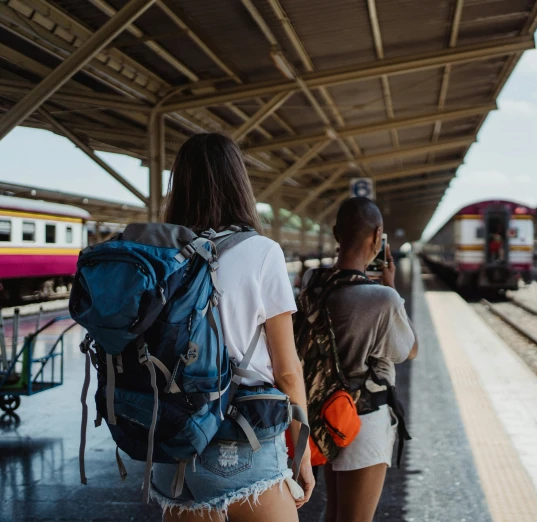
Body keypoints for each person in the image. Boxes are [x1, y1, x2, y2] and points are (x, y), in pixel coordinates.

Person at [150, 133, 315, 521]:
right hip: (243, 443)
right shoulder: (262, 252)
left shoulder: (159, 256)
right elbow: (288, 372)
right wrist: (303, 454)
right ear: (239, 183)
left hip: (171, 446)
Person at [301, 197, 417, 522]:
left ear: (337, 233)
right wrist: (392, 287)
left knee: (333, 512)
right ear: (377, 236)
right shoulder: (383, 298)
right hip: (363, 417)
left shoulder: (313, 283)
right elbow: (409, 349)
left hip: (323, 413)